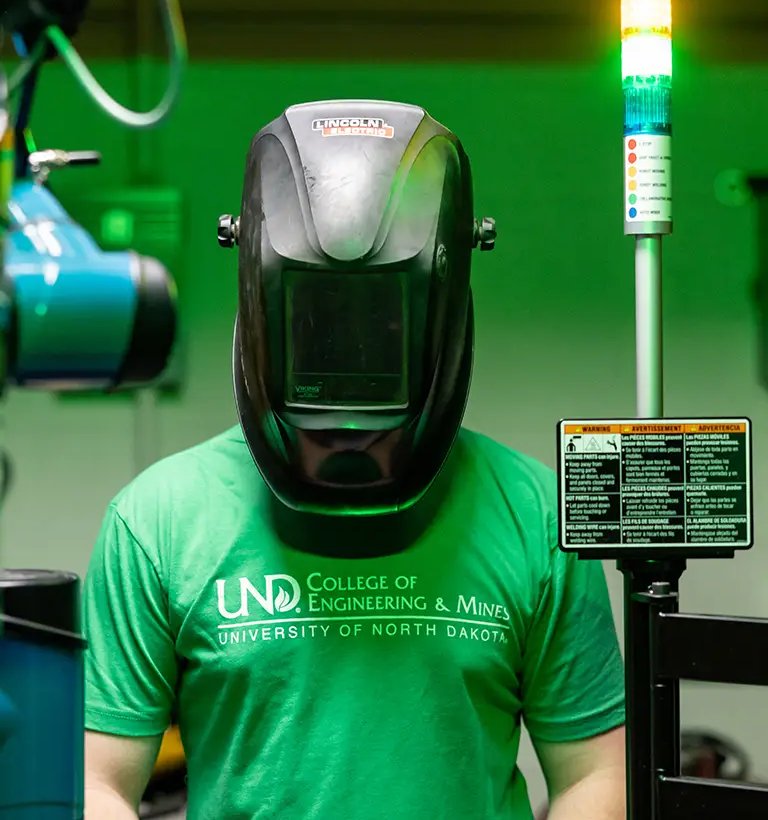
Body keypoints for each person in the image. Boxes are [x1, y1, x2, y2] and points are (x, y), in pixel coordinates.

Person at [82, 100, 626, 820]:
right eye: (318, 320)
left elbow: (596, 776)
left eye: (380, 322)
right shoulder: (157, 522)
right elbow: (96, 784)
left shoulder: (536, 516)